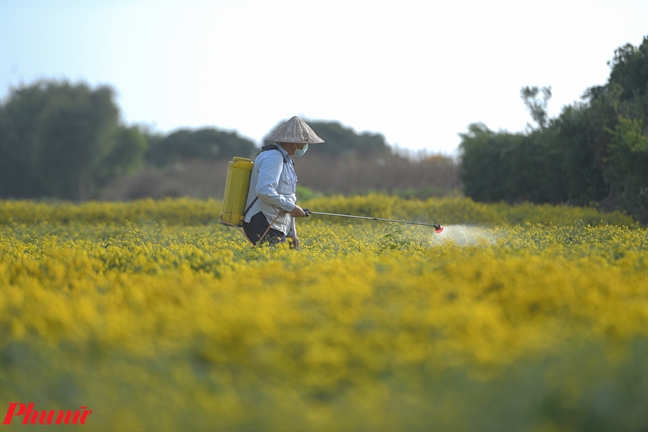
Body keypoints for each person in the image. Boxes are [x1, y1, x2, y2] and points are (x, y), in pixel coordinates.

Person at [242, 116, 324, 248]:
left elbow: (288, 198)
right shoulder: (273, 157)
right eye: (304, 141)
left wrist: (292, 234)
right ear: (294, 142)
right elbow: (264, 190)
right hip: (263, 222)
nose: (305, 145)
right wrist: (292, 208)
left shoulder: (287, 161)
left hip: (275, 224)